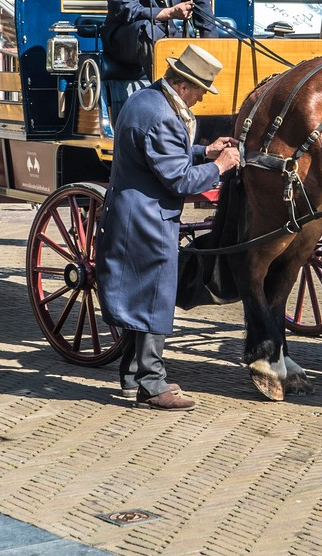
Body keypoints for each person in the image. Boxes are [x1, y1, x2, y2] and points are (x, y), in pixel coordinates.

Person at [94, 44, 240, 411]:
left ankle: (132, 377)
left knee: (137, 296)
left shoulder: (144, 100)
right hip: (148, 220)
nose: (202, 99)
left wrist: (203, 151)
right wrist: (220, 165)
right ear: (186, 86)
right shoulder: (163, 116)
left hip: (131, 213)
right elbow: (179, 180)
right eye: (202, 91)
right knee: (154, 298)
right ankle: (153, 385)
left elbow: (156, 153)